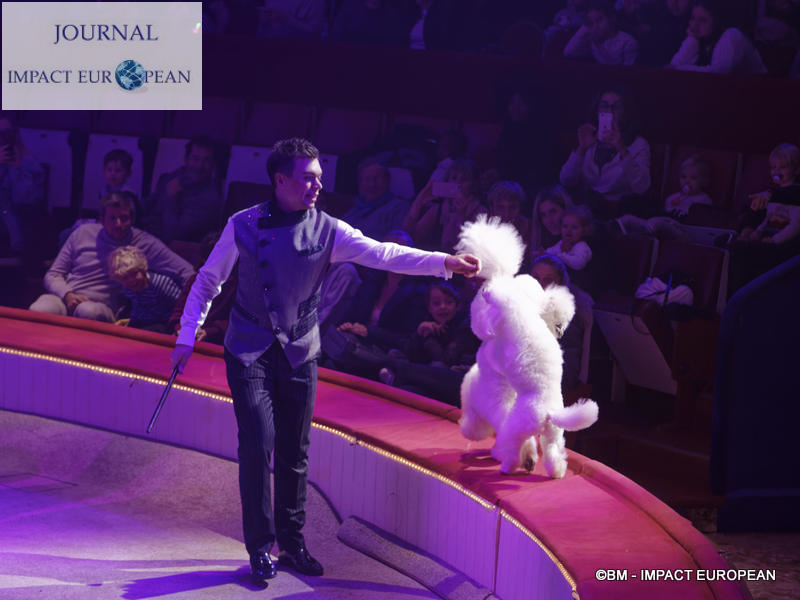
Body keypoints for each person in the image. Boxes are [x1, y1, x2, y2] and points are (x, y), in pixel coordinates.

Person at [169, 138, 480, 584]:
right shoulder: (243, 223)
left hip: (299, 349)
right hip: (249, 348)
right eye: (308, 178)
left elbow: (383, 253)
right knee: (258, 443)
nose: (318, 185)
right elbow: (207, 281)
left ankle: (292, 543)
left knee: (294, 450)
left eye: (319, 177)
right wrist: (187, 333)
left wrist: (444, 262)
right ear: (280, 180)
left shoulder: (329, 229)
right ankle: (259, 546)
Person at [29, 191, 194, 322]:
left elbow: (186, 272)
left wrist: (195, 308)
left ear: (132, 219)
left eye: (124, 218)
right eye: (112, 218)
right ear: (102, 220)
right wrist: (67, 294)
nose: (118, 224)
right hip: (67, 297)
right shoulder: (82, 233)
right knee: (39, 309)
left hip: (102, 306)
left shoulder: (145, 243)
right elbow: (53, 274)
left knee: (86, 311)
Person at [377, 281, 479, 407]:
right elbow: (412, 354)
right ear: (430, 308)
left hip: (445, 375)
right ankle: (400, 379)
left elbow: (446, 360)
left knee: (437, 366)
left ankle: (398, 373)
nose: (443, 307)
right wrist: (419, 334)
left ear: (457, 306)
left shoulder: (462, 328)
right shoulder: (428, 322)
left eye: (449, 302)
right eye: (436, 303)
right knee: (396, 354)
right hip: (424, 373)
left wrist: (429, 339)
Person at [559, 88, 651, 218]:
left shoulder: (639, 144)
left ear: (625, 112)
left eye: (616, 107)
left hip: (618, 213)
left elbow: (642, 187)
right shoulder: (589, 138)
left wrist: (621, 148)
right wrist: (581, 149)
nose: (610, 111)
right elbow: (566, 180)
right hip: (584, 213)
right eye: (604, 106)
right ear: (597, 110)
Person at [141, 136, 223, 244]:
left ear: (213, 166)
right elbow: (149, 206)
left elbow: (172, 235)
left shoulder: (210, 198)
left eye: (206, 161)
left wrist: (171, 198)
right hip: (146, 235)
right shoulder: (172, 177)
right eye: (195, 159)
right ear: (186, 159)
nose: (199, 166)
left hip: (175, 247)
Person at [615, 153, 712, 239]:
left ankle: (644, 231)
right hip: (661, 221)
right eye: (683, 177)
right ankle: (619, 225)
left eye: (693, 178)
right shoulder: (673, 197)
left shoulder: (703, 199)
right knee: (630, 218)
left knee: (657, 223)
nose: (687, 181)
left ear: (704, 181)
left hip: (682, 230)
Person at [60, 148, 137, 248]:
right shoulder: (105, 190)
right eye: (109, 170)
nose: (113, 174)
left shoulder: (127, 194)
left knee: (66, 234)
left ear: (128, 173)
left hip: (115, 228)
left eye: (118, 171)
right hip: (104, 224)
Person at [669, 0, 767, 74]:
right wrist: (692, 38)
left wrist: (678, 69)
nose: (694, 25)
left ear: (717, 22)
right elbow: (673, 67)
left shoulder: (732, 35)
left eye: (703, 20)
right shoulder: (701, 37)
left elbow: (718, 73)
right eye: (693, 18)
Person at [108, 245, 183, 333]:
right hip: (143, 321)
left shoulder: (159, 283)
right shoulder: (127, 288)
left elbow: (181, 304)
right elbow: (137, 307)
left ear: (142, 269)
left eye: (134, 274)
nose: (131, 280)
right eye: (125, 277)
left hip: (164, 323)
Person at [0, 117, 46, 258]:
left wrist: (17, 166)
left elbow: (27, 198)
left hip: (19, 212)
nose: (4, 137)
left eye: (8, 132)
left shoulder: (29, 163)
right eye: (0, 133)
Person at [341, 158, 410, 240]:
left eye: (377, 179)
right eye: (367, 179)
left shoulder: (398, 207)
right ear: (360, 183)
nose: (372, 185)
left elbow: (400, 240)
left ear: (387, 181)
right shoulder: (354, 210)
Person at [563, 0, 639, 65]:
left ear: (611, 18)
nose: (595, 26)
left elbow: (629, 72)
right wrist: (586, 26)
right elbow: (568, 52)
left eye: (599, 20)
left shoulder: (627, 42)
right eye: (591, 23)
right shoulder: (592, 40)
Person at [530, 184, 575, 256]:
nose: (549, 221)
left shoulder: (582, 243)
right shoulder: (542, 246)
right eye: (543, 215)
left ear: (566, 209)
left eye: (553, 212)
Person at [487, 180, 531, 247]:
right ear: (492, 209)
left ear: (521, 208)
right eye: (500, 208)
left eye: (512, 207)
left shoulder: (533, 230)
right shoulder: (485, 232)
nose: (506, 214)